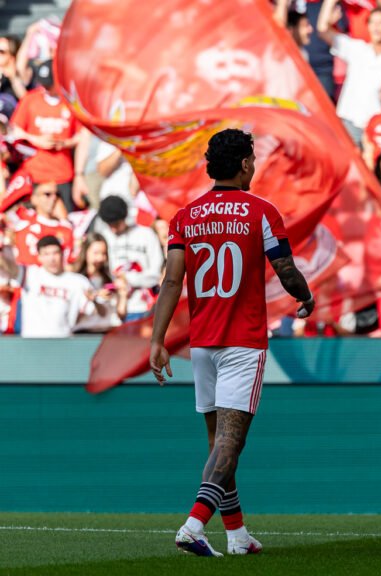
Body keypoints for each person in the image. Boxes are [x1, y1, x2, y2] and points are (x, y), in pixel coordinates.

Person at [150, 129, 315, 557]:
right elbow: (284, 267)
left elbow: (171, 281)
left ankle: (237, 535)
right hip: (242, 340)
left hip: (203, 343)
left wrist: (157, 339)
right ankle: (192, 525)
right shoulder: (260, 210)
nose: (255, 167)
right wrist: (304, 295)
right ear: (244, 164)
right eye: (253, 161)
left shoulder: (185, 217)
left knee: (218, 441)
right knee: (231, 441)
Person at [317, 3, 381, 145]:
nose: (376, 27)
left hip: (377, 127)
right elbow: (322, 30)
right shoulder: (357, 48)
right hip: (349, 123)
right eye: (372, 22)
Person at [8, 60, 90, 212]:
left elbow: (83, 135)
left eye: (49, 84)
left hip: (62, 174)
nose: (45, 88)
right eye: (43, 83)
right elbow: (13, 131)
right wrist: (36, 140)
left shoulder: (71, 102)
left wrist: (64, 143)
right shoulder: (31, 99)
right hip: (34, 174)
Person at [96, 196, 165, 321]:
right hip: (113, 310)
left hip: (144, 307)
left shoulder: (145, 234)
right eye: (109, 224)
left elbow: (156, 274)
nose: (113, 228)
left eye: (116, 223)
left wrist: (127, 278)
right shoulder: (104, 236)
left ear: (125, 217)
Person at [11, 235, 94, 338]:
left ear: (63, 254)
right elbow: (9, 268)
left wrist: (96, 300)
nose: (52, 258)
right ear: (39, 257)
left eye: (55, 253)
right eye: (46, 254)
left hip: (64, 342)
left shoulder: (78, 281)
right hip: (32, 343)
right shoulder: (30, 274)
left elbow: (93, 312)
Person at [5, 181, 74, 266]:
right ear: (34, 199)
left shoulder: (66, 228)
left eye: (57, 194)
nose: (54, 198)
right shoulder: (22, 221)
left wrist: (64, 219)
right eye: (47, 194)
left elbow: (68, 263)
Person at [72, 232, 128, 331]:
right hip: (83, 333)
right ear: (85, 252)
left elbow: (121, 314)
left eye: (103, 253)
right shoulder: (75, 279)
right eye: (96, 253)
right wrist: (95, 295)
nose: (100, 258)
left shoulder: (110, 280)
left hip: (107, 332)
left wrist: (123, 295)